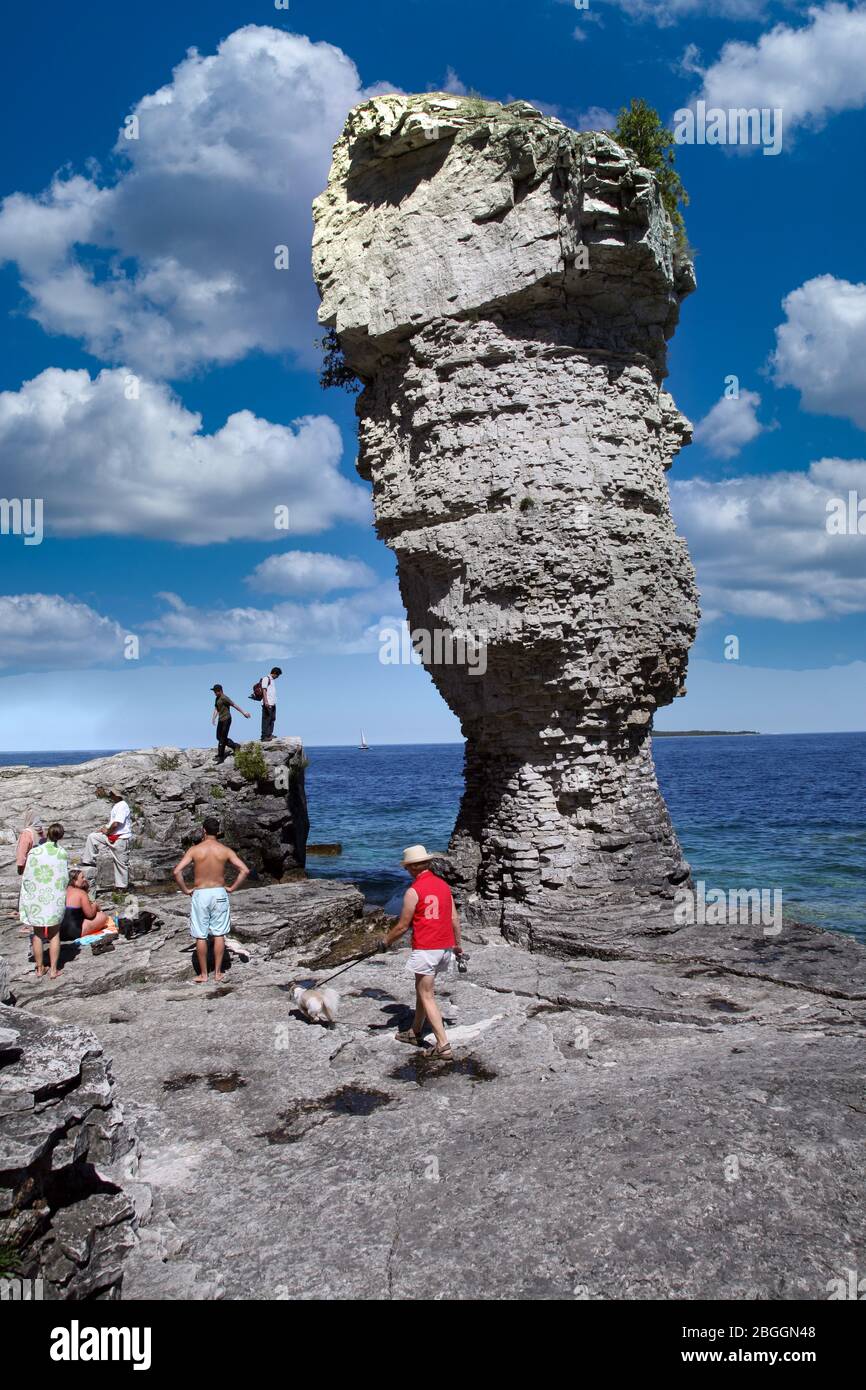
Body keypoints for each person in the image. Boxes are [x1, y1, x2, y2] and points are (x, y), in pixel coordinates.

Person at [379, 844, 465, 1061]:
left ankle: (443, 1046)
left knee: (427, 995)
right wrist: (458, 944)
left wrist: (385, 941)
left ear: (412, 868)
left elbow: (402, 926)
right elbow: (454, 918)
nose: (407, 870)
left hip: (427, 948)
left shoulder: (413, 891)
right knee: (423, 990)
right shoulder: (444, 886)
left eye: (408, 867)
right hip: (445, 947)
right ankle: (415, 1032)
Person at [172, 817, 250, 983]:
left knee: (201, 935)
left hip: (201, 893)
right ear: (218, 831)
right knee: (219, 933)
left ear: (204, 830)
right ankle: (218, 973)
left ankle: (203, 974)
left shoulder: (195, 850)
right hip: (219, 893)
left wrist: (186, 890)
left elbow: (176, 872)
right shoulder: (225, 850)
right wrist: (232, 888)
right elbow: (244, 870)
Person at [19, 822, 68, 979]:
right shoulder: (62, 853)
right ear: (60, 836)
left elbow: (27, 877)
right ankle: (53, 970)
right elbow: (64, 877)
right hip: (55, 898)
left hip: (38, 898)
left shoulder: (35, 852)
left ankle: (40, 969)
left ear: (47, 833)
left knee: (38, 934)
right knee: (54, 934)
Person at [80, 788, 133, 890]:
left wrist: (107, 831)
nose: (110, 794)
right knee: (93, 837)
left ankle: (121, 887)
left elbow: (117, 823)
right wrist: (103, 829)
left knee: (121, 863)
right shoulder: (117, 805)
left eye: (112, 793)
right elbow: (113, 823)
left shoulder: (122, 806)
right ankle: (88, 861)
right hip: (112, 835)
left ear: (117, 795)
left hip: (120, 838)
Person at [61, 869, 118, 941]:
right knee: (103, 917)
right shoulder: (81, 893)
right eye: (82, 877)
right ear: (74, 881)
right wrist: (95, 905)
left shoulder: (63, 891)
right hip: (74, 932)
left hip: (60, 932)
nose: (84, 879)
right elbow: (90, 914)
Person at [16, 812, 46, 933]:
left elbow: (22, 853)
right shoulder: (42, 833)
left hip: (30, 869)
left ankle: (29, 924)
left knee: (28, 897)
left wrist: (20, 866)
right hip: (42, 870)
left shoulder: (27, 833)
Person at [211, 684, 250, 763]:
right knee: (219, 737)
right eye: (214, 691)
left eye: (215, 691)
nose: (214, 693)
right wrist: (213, 718)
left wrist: (244, 712)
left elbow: (234, 705)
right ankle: (235, 746)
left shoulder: (224, 698)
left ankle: (220, 756)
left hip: (227, 719)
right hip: (221, 720)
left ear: (220, 691)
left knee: (222, 738)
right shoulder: (217, 698)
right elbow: (216, 708)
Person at [260, 667, 282, 741]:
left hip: (272, 703)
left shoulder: (272, 680)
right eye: (278, 675)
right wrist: (266, 701)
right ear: (275, 673)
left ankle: (269, 734)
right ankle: (264, 736)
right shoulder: (266, 678)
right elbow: (264, 690)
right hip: (267, 703)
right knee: (266, 719)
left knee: (272, 719)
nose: (278, 677)